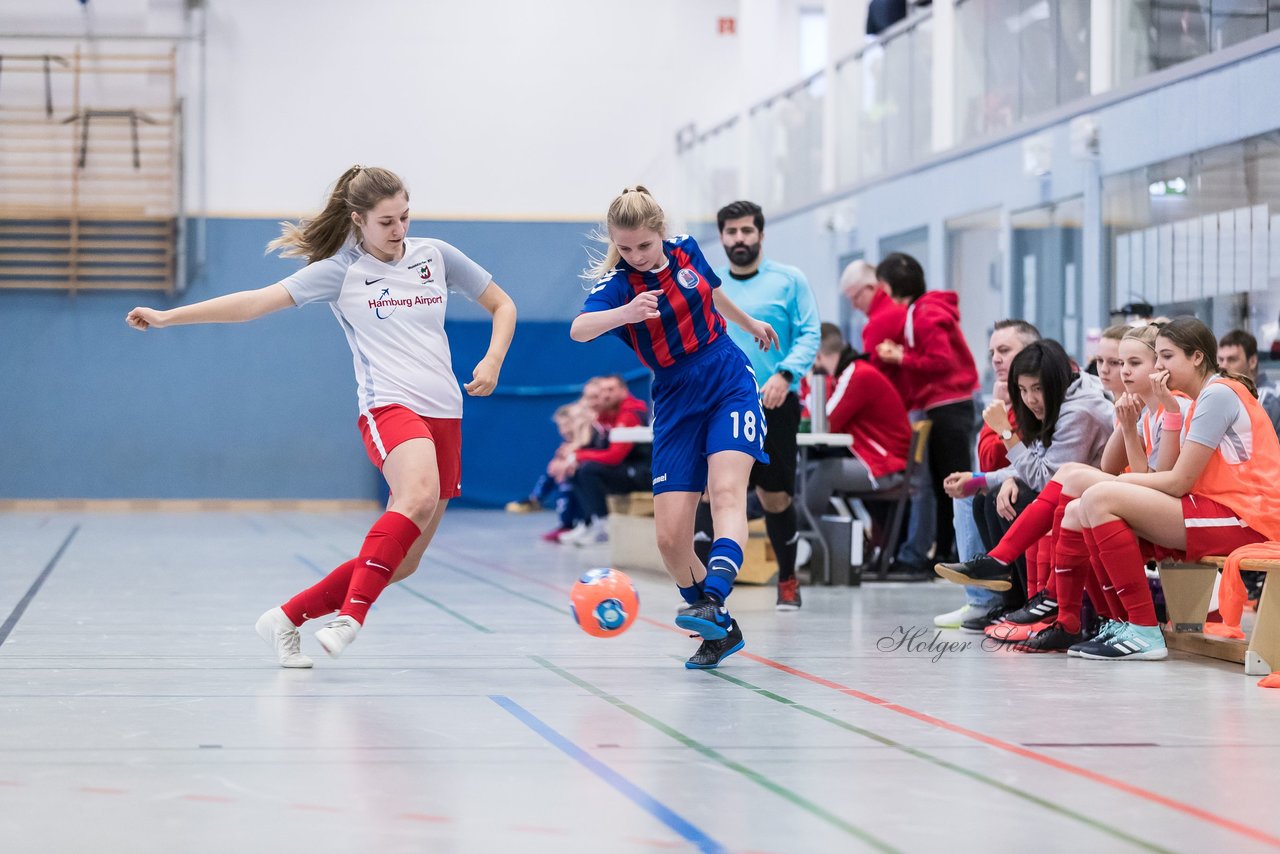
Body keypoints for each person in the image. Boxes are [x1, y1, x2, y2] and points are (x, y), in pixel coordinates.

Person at [126, 165, 516, 666]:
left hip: (446, 413)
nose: (399, 230)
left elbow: (502, 303)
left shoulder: (435, 256)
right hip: (390, 406)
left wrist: (493, 359)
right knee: (414, 496)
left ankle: (285, 617)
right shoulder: (341, 270)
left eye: (404, 217)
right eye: (386, 222)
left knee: (404, 562)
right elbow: (253, 304)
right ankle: (352, 618)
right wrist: (168, 316)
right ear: (358, 220)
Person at [570, 186, 778, 669]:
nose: (636, 256)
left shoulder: (685, 248)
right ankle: (718, 625)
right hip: (674, 396)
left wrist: (748, 324)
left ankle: (712, 600)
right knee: (669, 539)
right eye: (624, 248)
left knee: (726, 495)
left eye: (644, 245)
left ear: (661, 232)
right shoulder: (618, 286)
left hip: (725, 376)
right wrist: (624, 314)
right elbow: (578, 330)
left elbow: (712, 289)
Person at [938, 324, 1190, 652]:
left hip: (1181, 510)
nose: (1117, 371)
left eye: (1129, 363)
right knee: (1062, 503)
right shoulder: (1135, 407)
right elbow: (1114, 469)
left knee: (1070, 488)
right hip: (1133, 496)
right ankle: (1081, 619)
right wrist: (1126, 425)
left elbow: (1159, 480)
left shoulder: (1165, 408)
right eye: (1110, 362)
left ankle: (1040, 593)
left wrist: (1004, 432)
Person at [1069, 316, 1280, 660]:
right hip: (1224, 508)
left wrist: (1121, 482)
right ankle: (1122, 622)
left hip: (1250, 517)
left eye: (1166, 357)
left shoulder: (1217, 395)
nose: (1159, 366)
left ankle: (1142, 629)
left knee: (1100, 495)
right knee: (1085, 505)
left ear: (1196, 357)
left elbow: (1177, 481)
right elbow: (1165, 477)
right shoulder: (1198, 399)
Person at [933, 340, 1113, 617]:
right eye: (1023, 390)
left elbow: (1045, 478)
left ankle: (1032, 603)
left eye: (1037, 389)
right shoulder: (1061, 399)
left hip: (1092, 494)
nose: (1030, 400)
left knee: (1017, 499)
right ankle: (1010, 603)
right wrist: (981, 480)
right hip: (1073, 488)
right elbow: (1041, 463)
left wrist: (1006, 432)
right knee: (985, 497)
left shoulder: (1079, 411)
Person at [699, 200, 820, 610]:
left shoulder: (790, 281)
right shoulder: (707, 284)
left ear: (761, 235)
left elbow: (809, 334)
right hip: (715, 403)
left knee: (775, 497)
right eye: (731, 232)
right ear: (721, 238)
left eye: (747, 231)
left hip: (774, 404)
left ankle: (787, 579)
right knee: (709, 492)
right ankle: (705, 592)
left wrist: (785, 375)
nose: (739, 239)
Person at [874, 252, 979, 573]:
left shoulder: (924, 313)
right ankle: (947, 550)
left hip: (948, 405)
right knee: (942, 483)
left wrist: (901, 357)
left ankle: (958, 552)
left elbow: (940, 361)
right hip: (944, 404)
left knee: (952, 483)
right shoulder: (921, 311)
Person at [934, 319, 1040, 630]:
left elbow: (1008, 457)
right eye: (992, 351)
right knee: (970, 491)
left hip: (1040, 479)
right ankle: (984, 600)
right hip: (1023, 472)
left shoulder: (1036, 393)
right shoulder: (1009, 393)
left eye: (1005, 350)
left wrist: (1003, 411)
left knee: (990, 493)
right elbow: (989, 457)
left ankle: (998, 601)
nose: (995, 358)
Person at [802, 324, 910, 527]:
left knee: (826, 472)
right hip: (884, 459)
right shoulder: (852, 372)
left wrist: (810, 384)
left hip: (886, 465)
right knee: (809, 471)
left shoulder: (856, 375)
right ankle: (810, 536)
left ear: (817, 356)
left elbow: (825, 423)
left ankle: (803, 533)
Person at [560, 374, 652, 546]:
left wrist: (578, 455)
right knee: (577, 470)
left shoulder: (630, 412)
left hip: (641, 474)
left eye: (611, 390)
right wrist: (574, 457)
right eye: (602, 391)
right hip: (625, 469)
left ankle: (603, 525)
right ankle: (588, 521)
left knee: (588, 469)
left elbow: (614, 456)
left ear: (623, 391)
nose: (605, 395)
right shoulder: (605, 414)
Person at [1219, 329, 1280, 436]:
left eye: (1232, 359)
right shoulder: (1229, 393)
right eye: (1220, 359)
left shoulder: (1266, 396)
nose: (1223, 366)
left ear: (1252, 362)